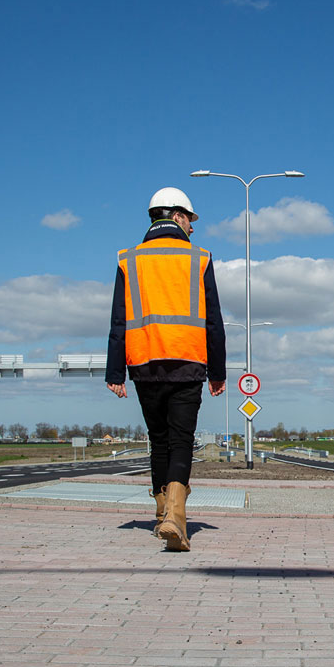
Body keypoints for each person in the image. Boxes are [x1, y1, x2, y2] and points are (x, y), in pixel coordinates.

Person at [107, 186, 226, 552]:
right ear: (176, 215)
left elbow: (117, 321)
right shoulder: (199, 258)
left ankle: (163, 513)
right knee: (180, 442)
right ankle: (176, 515)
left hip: (144, 362)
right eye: (190, 220)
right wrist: (218, 371)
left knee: (158, 439)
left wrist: (115, 373)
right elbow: (214, 321)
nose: (192, 228)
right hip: (188, 361)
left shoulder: (129, 259)